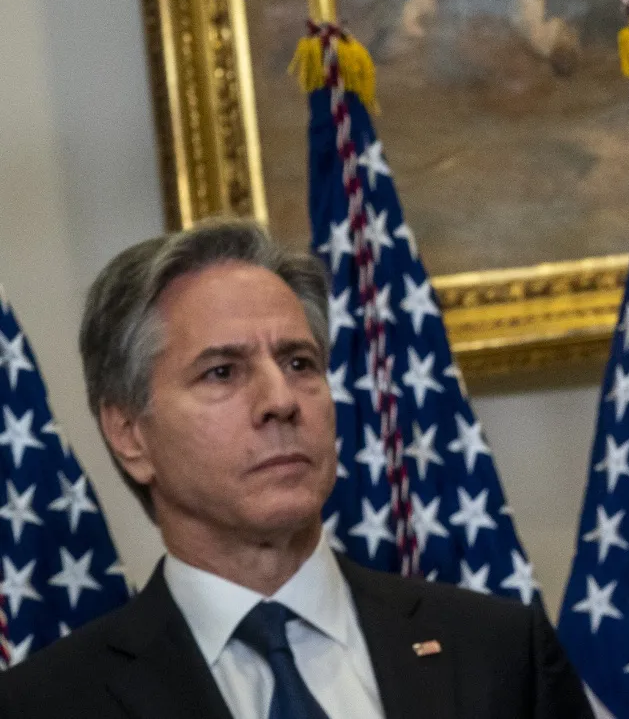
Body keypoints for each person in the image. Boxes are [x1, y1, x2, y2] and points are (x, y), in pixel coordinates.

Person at [0, 220, 592, 719]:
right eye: (223, 373)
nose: (281, 400)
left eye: (299, 362)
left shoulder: (500, 653)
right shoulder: (46, 705)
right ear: (129, 433)